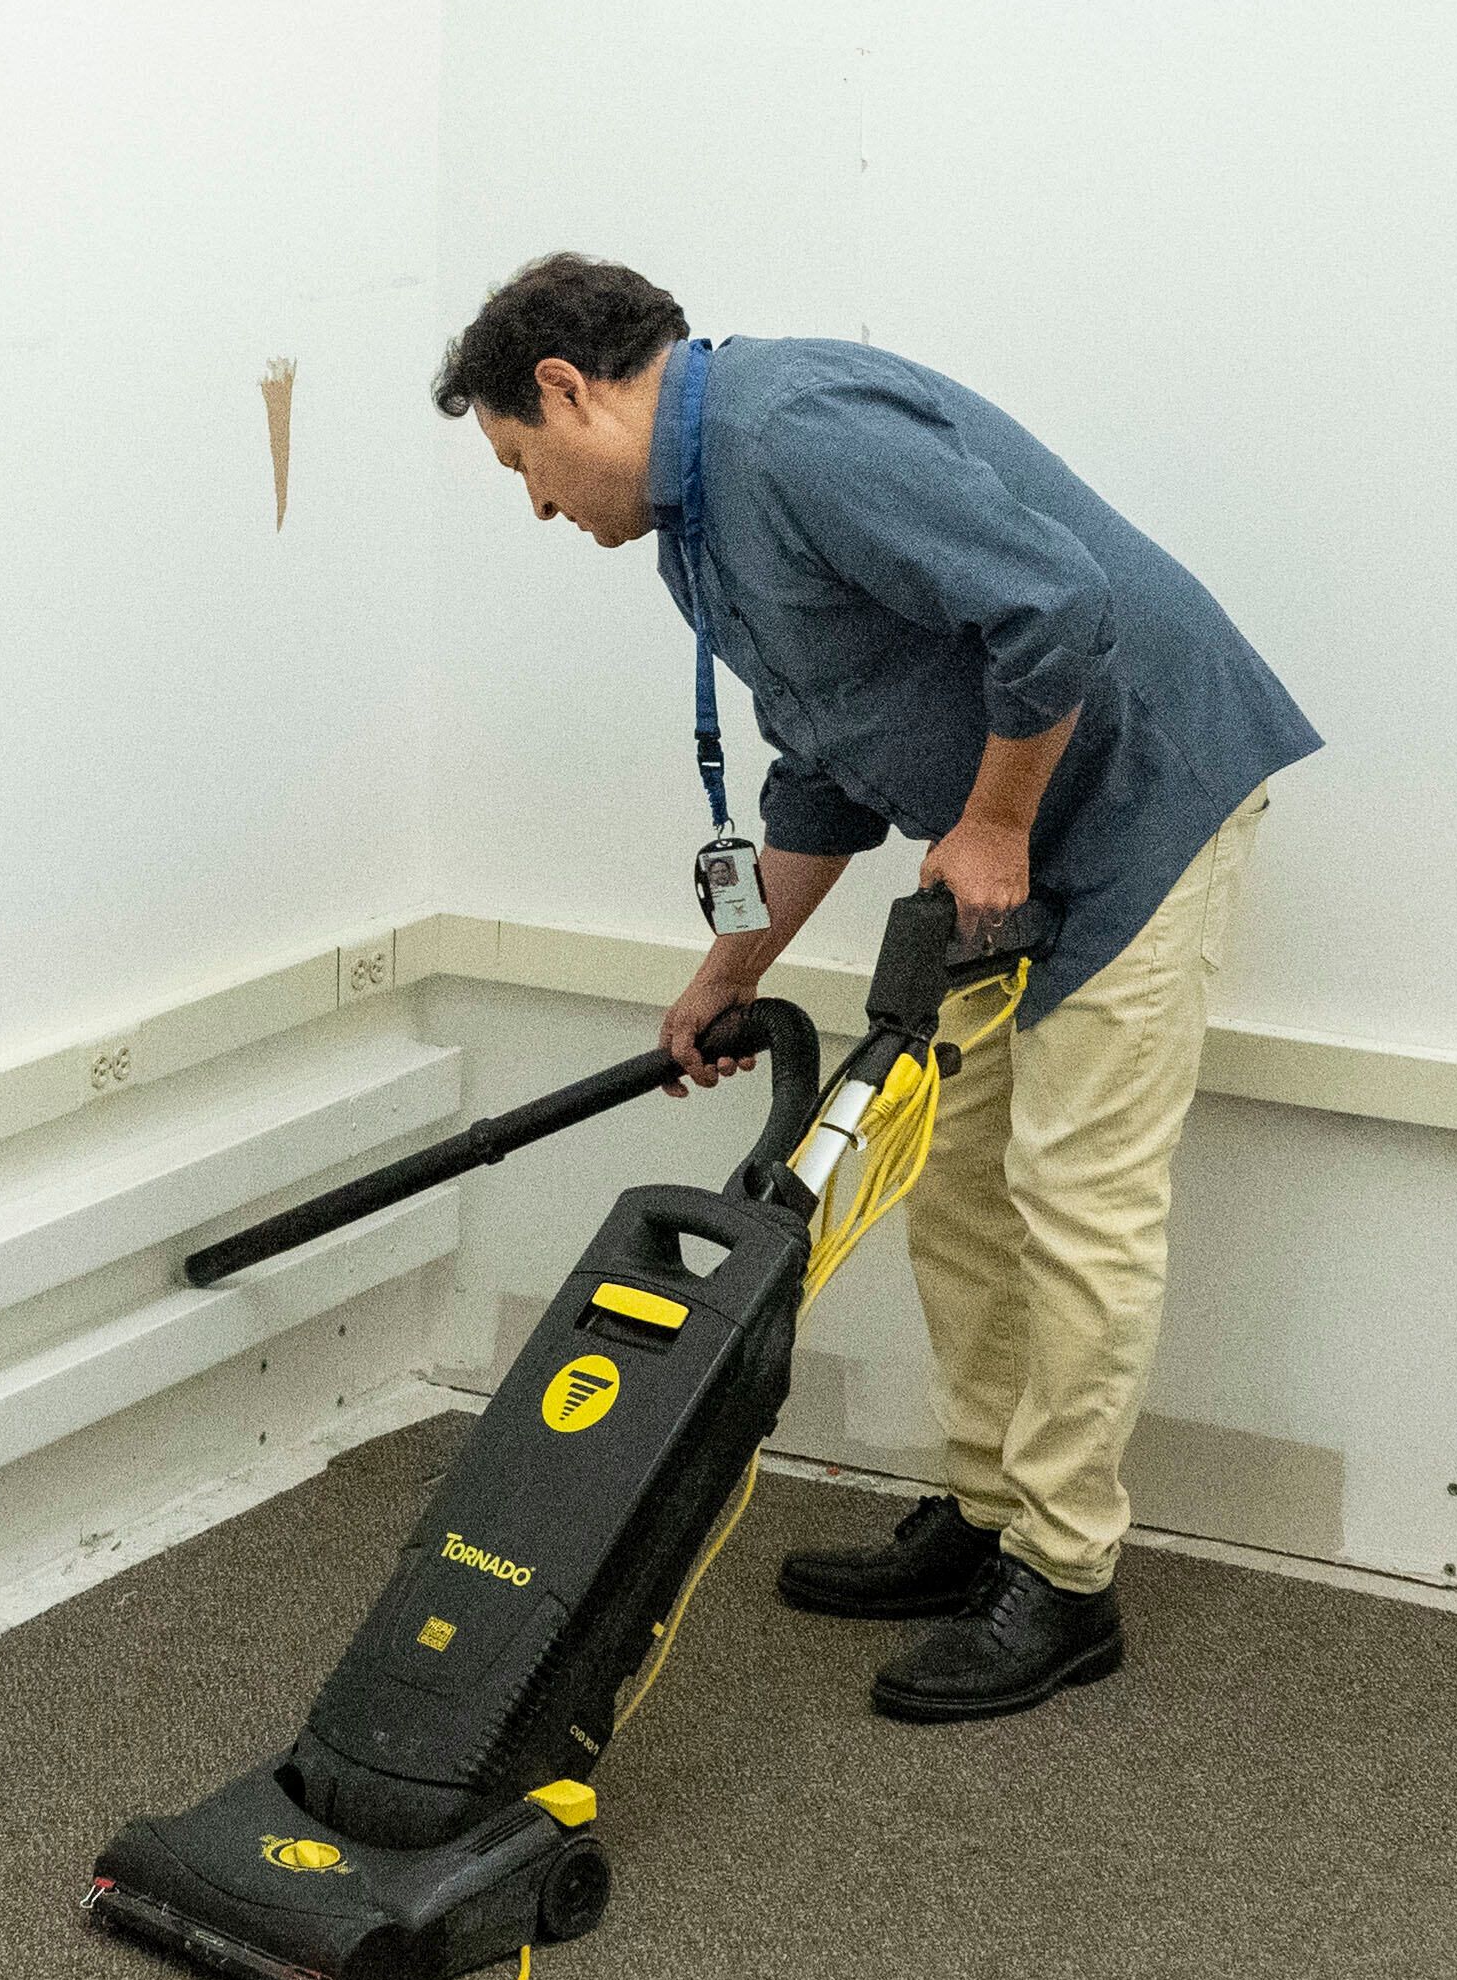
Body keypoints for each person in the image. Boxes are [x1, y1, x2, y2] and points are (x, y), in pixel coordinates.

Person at [432, 252, 1320, 1725]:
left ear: (566, 390)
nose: (536, 505)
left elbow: (1057, 608)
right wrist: (723, 980)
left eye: (525, 466)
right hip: (1008, 844)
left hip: (1137, 806)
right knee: (956, 1181)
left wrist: (993, 825)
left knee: (1078, 1197)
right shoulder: (696, 530)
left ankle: (1066, 1575)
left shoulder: (792, 437)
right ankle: (983, 1517)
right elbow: (826, 768)